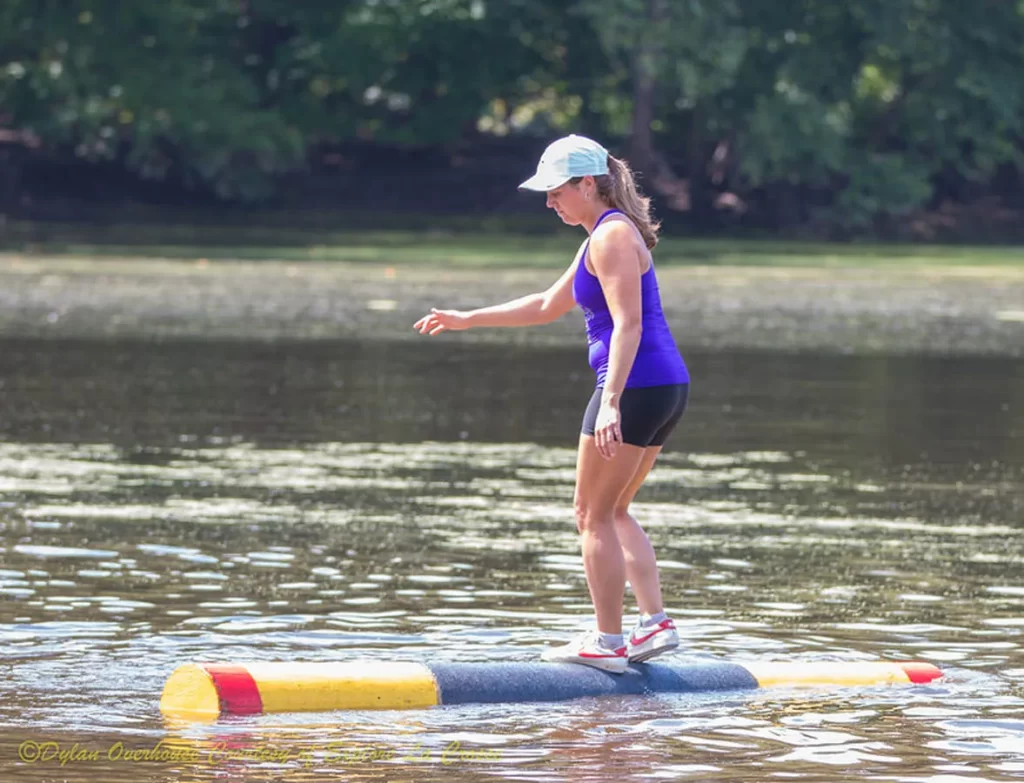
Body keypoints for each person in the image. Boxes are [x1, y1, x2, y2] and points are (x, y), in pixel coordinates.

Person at [413, 134, 689, 674]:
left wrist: (610, 401)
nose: (549, 202)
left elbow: (628, 325)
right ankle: (653, 624)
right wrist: (467, 318)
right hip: (662, 385)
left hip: (631, 386)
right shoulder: (606, 235)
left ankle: (608, 642)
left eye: (557, 191)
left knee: (590, 514)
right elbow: (544, 305)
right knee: (614, 511)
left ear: (589, 183)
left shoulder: (610, 238)